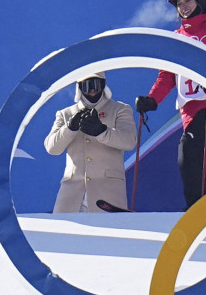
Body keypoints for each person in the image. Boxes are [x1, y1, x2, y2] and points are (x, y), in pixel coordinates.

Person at [135, 0, 206, 208]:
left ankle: (196, 207)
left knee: (190, 146)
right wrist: (152, 99)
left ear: (200, 2)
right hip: (189, 109)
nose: (183, 7)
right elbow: (166, 77)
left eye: (188, 1)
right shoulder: (176, 39)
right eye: (179, 3)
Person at [44, 72, 137, 213]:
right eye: (87, 86)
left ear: (104, 86)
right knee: (65, 234)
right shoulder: (66, 114)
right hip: (72, 197)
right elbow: (52, 148)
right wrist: (70, 128)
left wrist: (102, 131)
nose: (93, 91)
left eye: (97, 85)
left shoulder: (120, 109)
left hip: (108, 197)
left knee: (109, 234)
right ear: (79, 88)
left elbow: (129, 141)